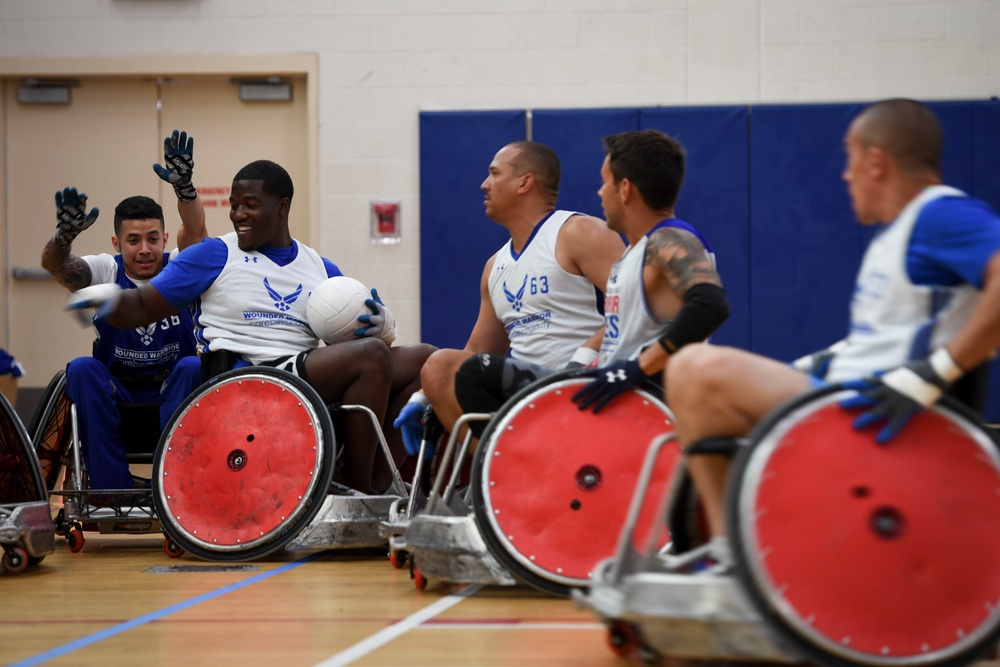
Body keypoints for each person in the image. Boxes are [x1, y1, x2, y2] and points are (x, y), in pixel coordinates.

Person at [665, 98, 1000, 567]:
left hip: (875, 408)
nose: (846, 175)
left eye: (850, 158)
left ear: (876, 162)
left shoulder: (940, 214)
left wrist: (936, 372)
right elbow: (883, 339)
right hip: (851, 391)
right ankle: (735, 549)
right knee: (702, 394)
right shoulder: (900, 232)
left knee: (694, 370)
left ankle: (734, 559)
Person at [68, 159, 435, 495]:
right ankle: (358, 492)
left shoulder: (319, 267)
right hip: (243, 376)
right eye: (233, 204)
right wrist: (109, 299)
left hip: (300, 370)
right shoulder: (214, 253)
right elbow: (145, 303)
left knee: (427, 362)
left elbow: (366, 329)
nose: (238, 214)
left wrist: (383, 322)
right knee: (370, 358)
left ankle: (376, 480)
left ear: (282, 207)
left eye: (250, 205)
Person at [393, 140, 626, 453]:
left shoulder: (578, 232)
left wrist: (582, 358)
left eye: (494, 174)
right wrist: (424, 396)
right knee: (438, 368)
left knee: (439, 364)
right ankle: (509, 469)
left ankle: (507, 472)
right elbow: (478, 351)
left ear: (524, 182)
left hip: (585, 381)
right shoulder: (495, 267)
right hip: (527, 391)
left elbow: (633, 304)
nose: (484, 184)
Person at [41, 130, 206, 494]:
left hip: (173, 389)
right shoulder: (105, 269)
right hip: (120, 393)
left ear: (165, 238)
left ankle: (175, 489)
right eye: (134, 240)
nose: (145, 249)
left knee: (194, 365)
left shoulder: (181, 267)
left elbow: (195, 230)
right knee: (82, 368)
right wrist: (63, 238)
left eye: (153, 238)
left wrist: (186, 190)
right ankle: (109, 491)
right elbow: (57, 267)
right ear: (117, 243)